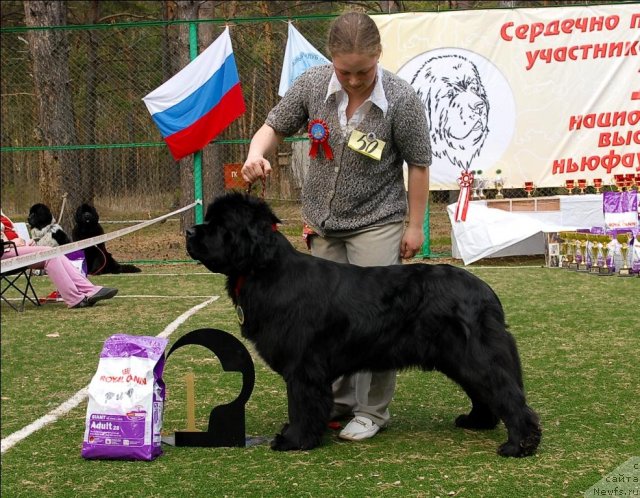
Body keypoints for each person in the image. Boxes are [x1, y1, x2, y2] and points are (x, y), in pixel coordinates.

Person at [242, 12, 431, 441]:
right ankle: (338, 404)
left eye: (363, 71)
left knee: (380, 321)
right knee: (330, 324)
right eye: (345, 71)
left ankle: (372, 411)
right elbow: (273, 126)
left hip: (377, 221)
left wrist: (414, 226)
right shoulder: (311, 84)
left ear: (378, 55)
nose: (355, 80)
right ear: (331, 60)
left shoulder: (401, 98)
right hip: (323, 226)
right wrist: (257, 154)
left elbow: (419, 166)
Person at [1, 209, 118, 309]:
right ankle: (74, 299)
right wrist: (9, 244)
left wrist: (24, 242)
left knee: (55, 252)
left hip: (14, 250)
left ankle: (89, 290)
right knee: (48, 255)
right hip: (4, 254)